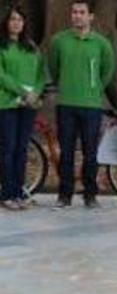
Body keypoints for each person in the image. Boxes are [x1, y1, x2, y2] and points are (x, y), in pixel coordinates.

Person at [48, 0, 115, 209]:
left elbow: (108, 70)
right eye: (74, 12)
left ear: (90, 16)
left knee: (90, 152)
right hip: (66, 104)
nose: (77, 16)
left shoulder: (101, 44)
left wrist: (95, 89)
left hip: (91, 105)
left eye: (82, 12)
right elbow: (54, 68)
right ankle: (64, 195)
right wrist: (66, 85)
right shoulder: (59, 41)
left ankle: (90, 195)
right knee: (66, 151)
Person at [0, 5, 44, 211]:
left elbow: (41, 75)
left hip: (28, 105)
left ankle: (19, 192)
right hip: (7, 104)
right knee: (8, 149)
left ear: (24, 23)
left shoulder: (32, 47)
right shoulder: (2, 46)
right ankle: (7, 194)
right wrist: (21, 91)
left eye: (20, 19)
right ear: (6, 23)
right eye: (12, 19)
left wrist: (35, 92)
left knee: (22, 148)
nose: (16, 23)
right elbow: (2, 76)